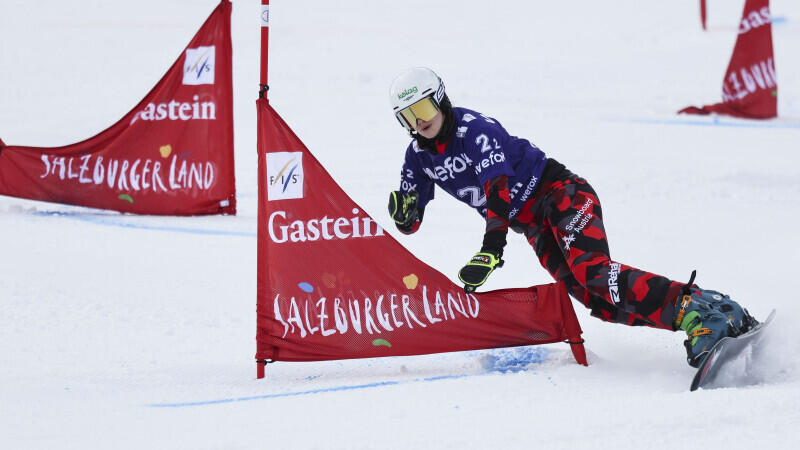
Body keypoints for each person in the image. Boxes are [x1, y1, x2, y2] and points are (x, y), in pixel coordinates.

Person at [386, 67, 758, 367]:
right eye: (409, 117)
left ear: (441, 100)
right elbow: (411, 222)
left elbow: (498, 190)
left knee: (592, 271)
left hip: (559, 194)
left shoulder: (474, 131)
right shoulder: (417, 157)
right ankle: (715, 308)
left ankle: (694, 314)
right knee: (596, 299)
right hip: (533, 225)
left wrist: (491, 249)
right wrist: (407, 214)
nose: (420, 122)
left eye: (424, 110)